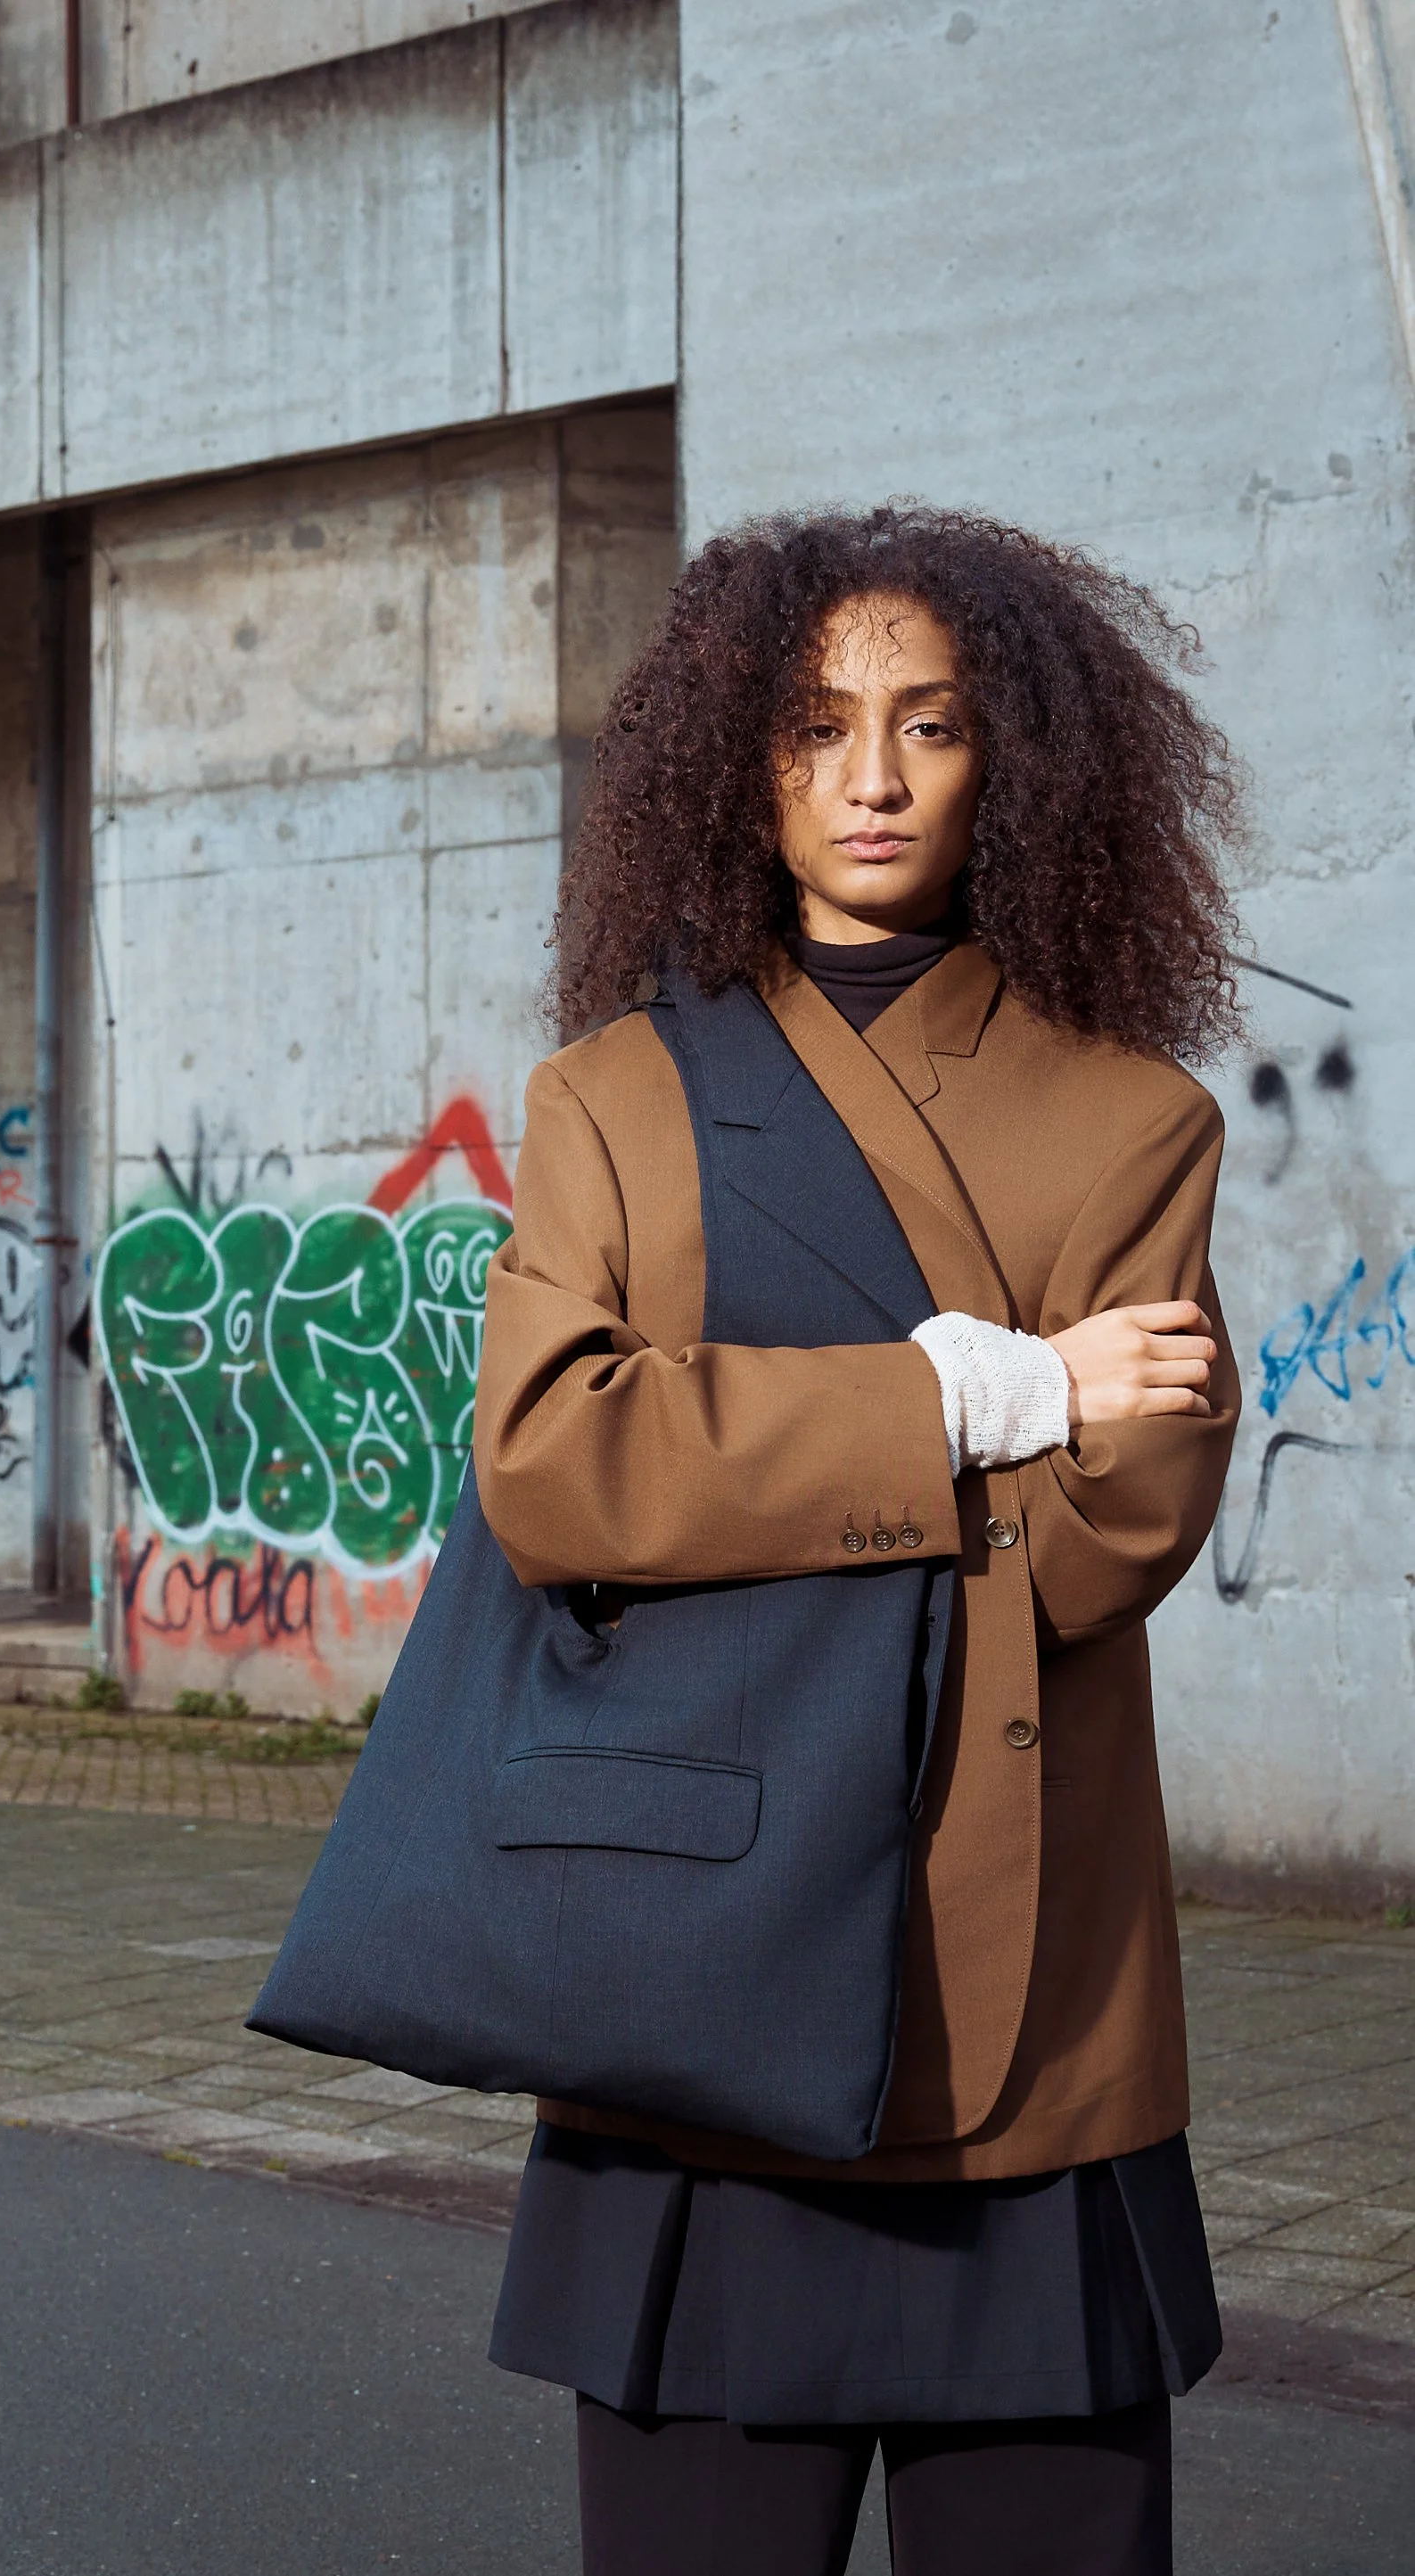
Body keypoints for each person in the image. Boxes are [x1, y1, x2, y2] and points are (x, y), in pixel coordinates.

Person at [471, 506, 1243, 2576]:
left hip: (1027, 2019)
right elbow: (554, 1470)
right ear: (737, 760)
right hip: (696, 1988)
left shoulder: (1129, 1117)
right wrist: (986, 1398)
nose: (876, 779)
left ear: (1027, 763)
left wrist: (720, 1470)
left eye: (933, 725)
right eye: (816, 728)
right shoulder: (613, 1099)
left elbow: (1116, 1534)